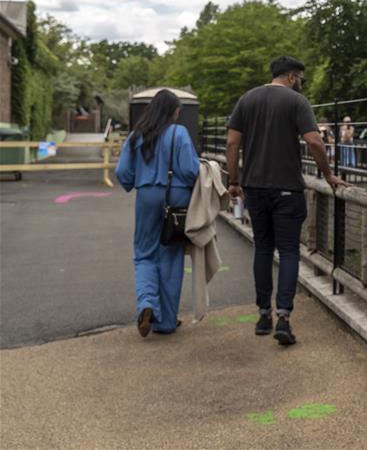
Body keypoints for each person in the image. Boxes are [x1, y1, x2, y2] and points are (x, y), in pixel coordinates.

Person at [226, 56, 348, 346]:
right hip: (288, 189)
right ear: (292, 77)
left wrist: (233, 181)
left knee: (263, 249)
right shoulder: (296, 102)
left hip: (254, 187)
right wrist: (328, 174)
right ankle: (284, 317)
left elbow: (232, 143)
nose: (301, 85)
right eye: (301, 79)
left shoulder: (247, 99)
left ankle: (263, 314)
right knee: (290, 252)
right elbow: (315, 141)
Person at [116, 89, 199, 337]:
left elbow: (123, 173)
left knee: (144, 254)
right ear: (172, 111)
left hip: (147, 196)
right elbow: (190, 170)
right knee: (171, 257)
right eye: (177, 110)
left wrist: (137, 181)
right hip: (176, 198)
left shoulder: (136, 135)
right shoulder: (179, 133)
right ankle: (166, 322)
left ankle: (147, 304)